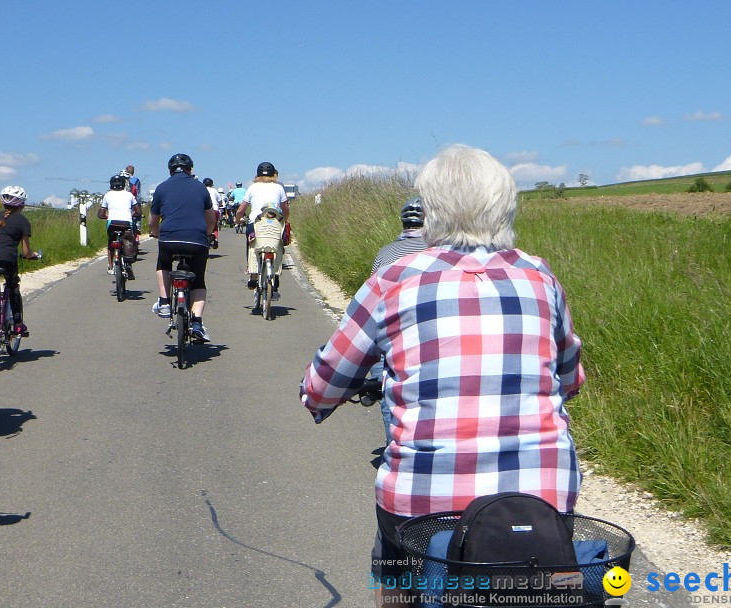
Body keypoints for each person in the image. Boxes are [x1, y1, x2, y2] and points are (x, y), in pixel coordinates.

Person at [299, 145, 585, 608]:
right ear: (506, 206)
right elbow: (571, 377)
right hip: (542, 496)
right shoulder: (539, 276)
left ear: (431, 210)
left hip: (423, 505)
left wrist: (317, 399)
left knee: (390, 568)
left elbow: (325, 381)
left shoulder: (395, 278)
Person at [365, 196, 429, 443]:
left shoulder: (384, 253)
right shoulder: (441, 254)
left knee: (387, 393)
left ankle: (394, 448)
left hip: (391, 337)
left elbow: (372, 297)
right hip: (429, 337)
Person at [148, 153, 215, 343]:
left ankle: (164, 303)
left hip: (169, 239)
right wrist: (208, 233)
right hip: (197, 241)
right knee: (199, 279)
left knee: (163, 262)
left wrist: (156, 233)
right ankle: (196, 322)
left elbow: (153, 220)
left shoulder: (162, 187)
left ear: (170, 170)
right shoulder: (201, 188)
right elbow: (211, 219)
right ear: (190, 169)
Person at [0, 185, 39, 337]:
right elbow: (26, 252)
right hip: (8, 259)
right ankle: (18, 324)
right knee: (13, 286)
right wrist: (33, 255)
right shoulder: (22, 221)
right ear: (21, 205)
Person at [235, 162, 289, 297]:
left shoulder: (252, 188)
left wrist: (237, 220)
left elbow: (241, 209)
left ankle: (253, 275)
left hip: (255, 223)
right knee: (278, 246)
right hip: (275, 222)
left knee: (252, 246)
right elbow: (286, 208)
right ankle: (275, 277)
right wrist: (285, 220)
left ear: (257, 174)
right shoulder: (279, 188)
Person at [99, 174, 140, 281]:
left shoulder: (107, 195)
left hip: (112, 223)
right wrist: (133, 214)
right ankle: (128, 265)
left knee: (110, 243)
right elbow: (138, 211)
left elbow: (101, 213)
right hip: (126, 223)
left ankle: (111, 266)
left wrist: (105, 216)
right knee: (129, 242)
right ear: (124, 184)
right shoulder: (130, 195)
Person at [203, 177, 223, 249]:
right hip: (215, 209)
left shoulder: (202, 190)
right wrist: (220, 205)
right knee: (214, 226)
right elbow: (220, 202)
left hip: (204, 210)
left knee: (203, 225)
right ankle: (216, 239)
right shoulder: (214, 190)